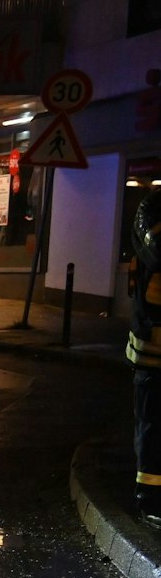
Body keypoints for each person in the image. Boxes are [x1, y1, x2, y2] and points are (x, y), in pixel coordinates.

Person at [130, 187, 161, 526]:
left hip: (150, 349)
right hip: (154, 352)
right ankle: (149, 500)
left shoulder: (149, 219)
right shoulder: (153, 220)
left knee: (153, 427)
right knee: (152, 428)